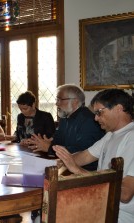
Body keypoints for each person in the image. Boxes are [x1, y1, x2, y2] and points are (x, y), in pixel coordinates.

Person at [53, 89, 134, 223]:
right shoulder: (110, 135)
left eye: (99, 112)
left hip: (118, 214)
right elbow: (85, 156)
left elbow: (125, 194)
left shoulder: (131, 138)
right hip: (101, 204)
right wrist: (66, 160)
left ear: (119, 108)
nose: (95, 118)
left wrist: (78, 170)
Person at [29, 84, 104, 171]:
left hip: (84, 172)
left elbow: (82, 151)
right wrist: (46, 142)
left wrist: (49, 147)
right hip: (66, 166)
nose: (56, 103)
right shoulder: (65, 118)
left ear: (75, 101)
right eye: (56, 99)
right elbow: (58, 141)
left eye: (60, 99)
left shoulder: (89, 120)